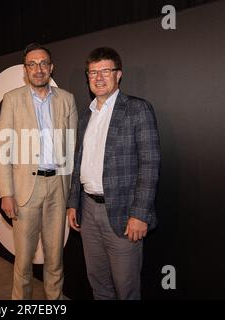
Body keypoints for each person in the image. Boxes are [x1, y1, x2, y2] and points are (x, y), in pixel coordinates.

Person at [66, 47, 160, 300]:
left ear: (118, 75)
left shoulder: (137, 109)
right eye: (93, 72)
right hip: (87, 211)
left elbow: (150, 164)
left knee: (126, 288)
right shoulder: (87, 115)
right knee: (99, 284)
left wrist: (139, 214)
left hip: (122, 214)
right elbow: (79, 161)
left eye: (105, 71)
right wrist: (73, 202)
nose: (98, 77)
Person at [0, 42, 78, 299]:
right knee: (23, 261)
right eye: (32, 64)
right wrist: (6, 193)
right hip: (24, 190)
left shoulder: (67, 99)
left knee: (55, 257)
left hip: (57, 188)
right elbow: (3, 150)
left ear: (51, 68)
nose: (38, 69)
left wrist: (72, 195)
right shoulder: (11, 99)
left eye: (43, 63)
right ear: (25, 70)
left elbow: (73, 148)